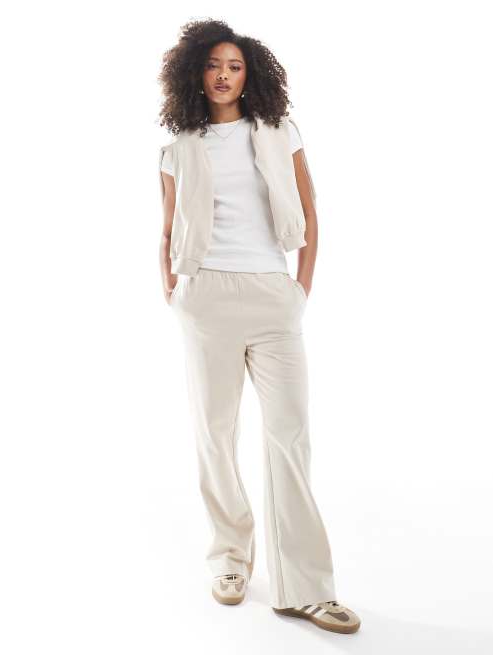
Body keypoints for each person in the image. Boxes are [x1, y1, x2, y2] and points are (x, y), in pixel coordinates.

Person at [157, 19, 361, 635]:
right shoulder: (177, 145)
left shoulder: (278, 131)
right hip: (206, 296)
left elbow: (310, 211)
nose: (223, 75)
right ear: (195, 72)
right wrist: (173, 290)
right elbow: (167, 227)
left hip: (273, 297)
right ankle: (229, 558)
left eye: (235, 66)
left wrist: (300, 289)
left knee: (289, 435)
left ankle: (305, 588)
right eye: (213, 64)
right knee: (215, 433)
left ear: (250, 75)